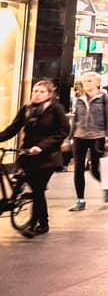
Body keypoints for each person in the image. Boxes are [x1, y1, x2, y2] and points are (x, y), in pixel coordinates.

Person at [1, 79, 70, 237]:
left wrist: (42, 146)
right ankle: (22, 207)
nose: (37, 95)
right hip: (28, 154)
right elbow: (12, 129)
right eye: (35, 91)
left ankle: (38, 223)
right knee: (31, 186)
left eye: (41, 92)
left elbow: (63, 131)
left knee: (38, 188)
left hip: (47, 157)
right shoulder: (27, 109)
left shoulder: (56, 109)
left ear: (49, 94)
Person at [69, 72, 108, 211]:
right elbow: (76, 118)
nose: (86, 83)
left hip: (97, 137)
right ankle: (80, 200)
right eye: (84, 81)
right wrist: (70, 136)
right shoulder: (79, 98)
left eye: (89, 81)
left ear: (97, 83)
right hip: (79, 137)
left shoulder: (105, 98)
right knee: (78, 169)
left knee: (94, 169)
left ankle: (106, 185)